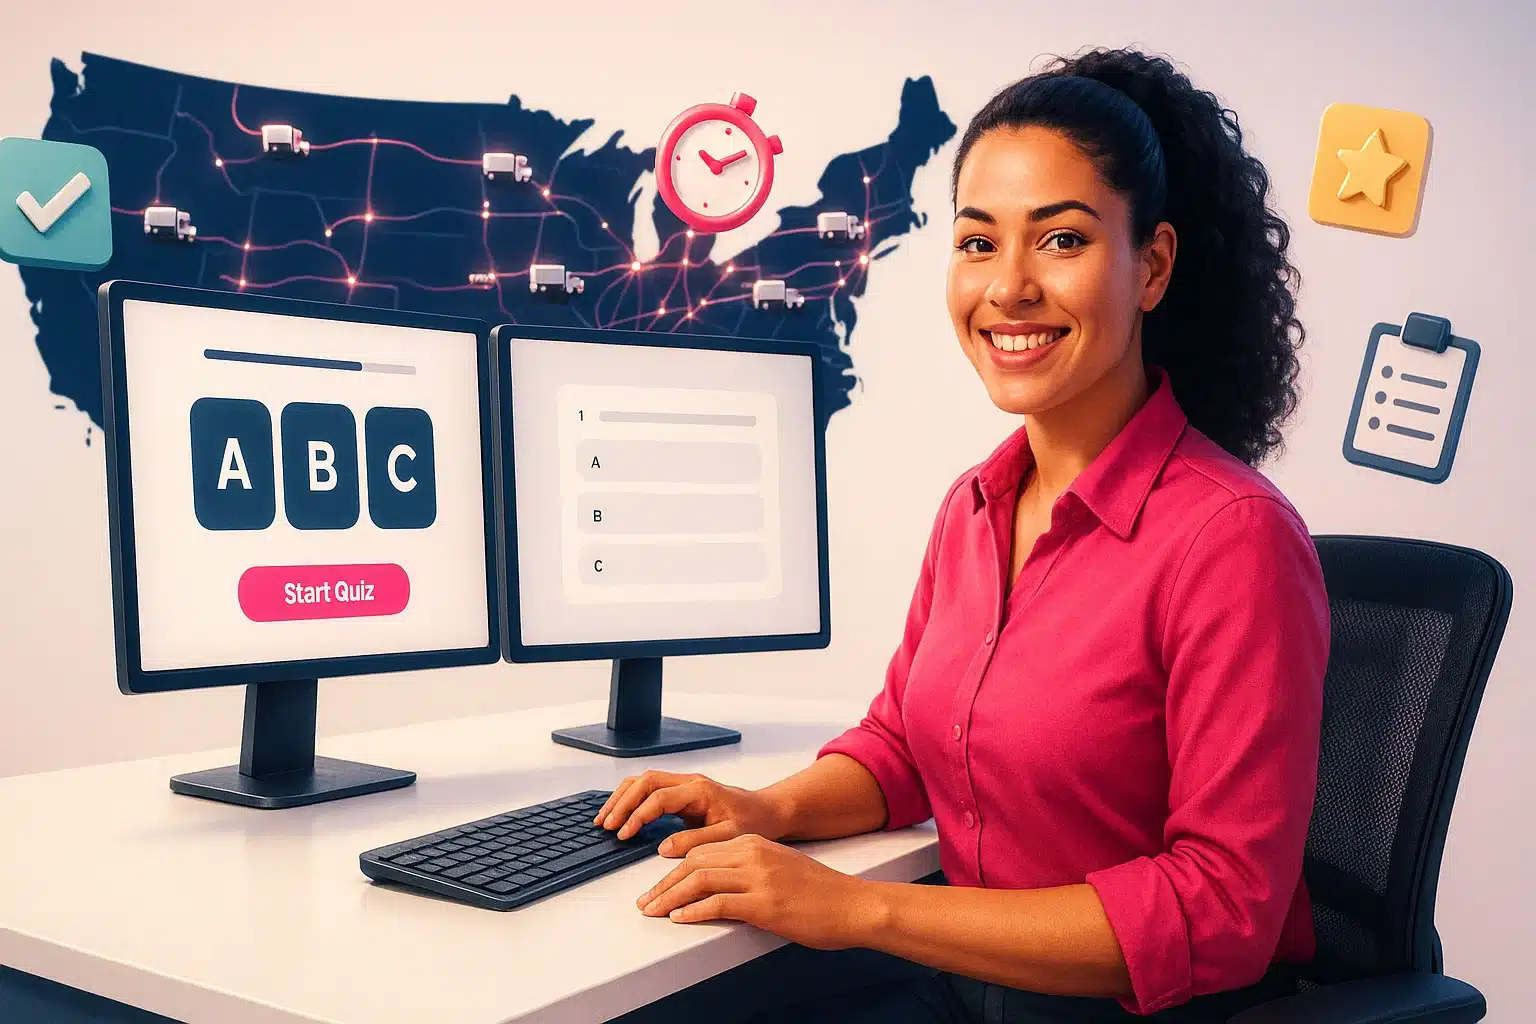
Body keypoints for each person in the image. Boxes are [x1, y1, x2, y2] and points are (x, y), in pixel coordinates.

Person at [604, 46, 1329, 1024]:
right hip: (968, 982)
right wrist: (764, 807)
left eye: (1062, 241)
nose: (1009, 287)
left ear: (1151, 265)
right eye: (979, 242)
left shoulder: (1230, 539)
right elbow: (904, 745)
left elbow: (1224, 908)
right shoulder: (976, 505)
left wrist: (861, 908)